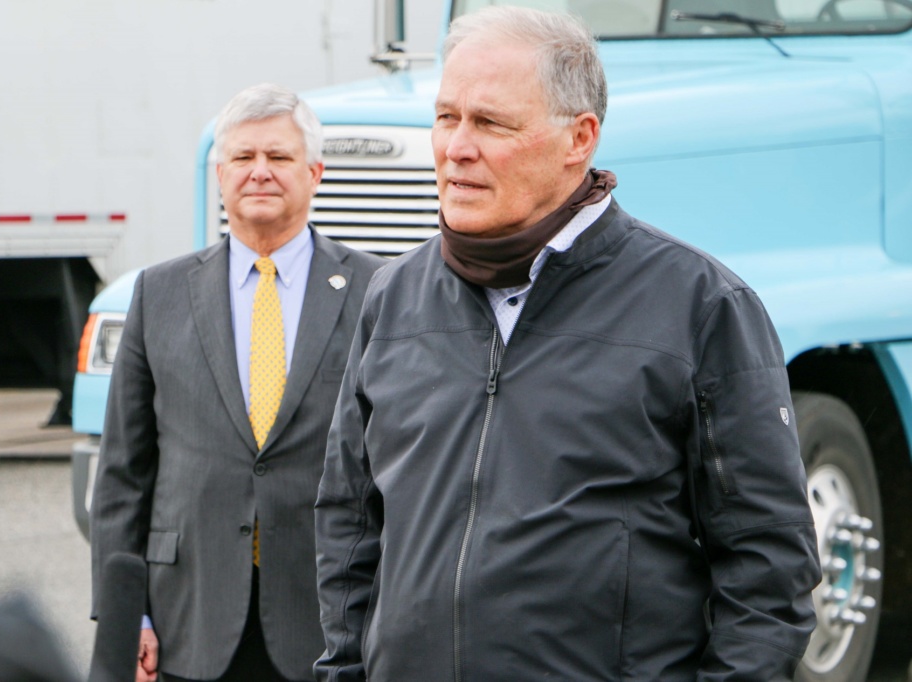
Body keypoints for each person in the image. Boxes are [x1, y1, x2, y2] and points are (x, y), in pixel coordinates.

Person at [313, 7, 821, 681]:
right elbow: (349, 527)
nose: (456, 147)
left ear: (578, 138)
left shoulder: (700, 307)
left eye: (490, 123)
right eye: (446, 117)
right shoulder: (394, 299)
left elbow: (768, 568)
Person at [90, 83, 383, 682]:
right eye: (244, 158)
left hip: (327, 623)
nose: (260, 173)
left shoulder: (377, 292)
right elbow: (123, 473)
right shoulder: (158, 295)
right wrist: (127, 619)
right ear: (220, 173)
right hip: (187, 620)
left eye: (278, 157)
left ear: (315, 172)